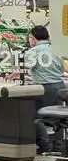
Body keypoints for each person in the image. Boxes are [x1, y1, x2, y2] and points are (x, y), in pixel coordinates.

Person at [13, 25, 67, 153]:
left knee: (35, 116)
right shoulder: (55, 49)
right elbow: (64, 67)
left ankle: (45, 145)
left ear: (33, 38)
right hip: (60, 87)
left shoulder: (33, 51)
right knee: (59, 119)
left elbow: (22, 68)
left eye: (29, 38)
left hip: (45, 87)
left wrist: (12, 76)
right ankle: (59, 147)